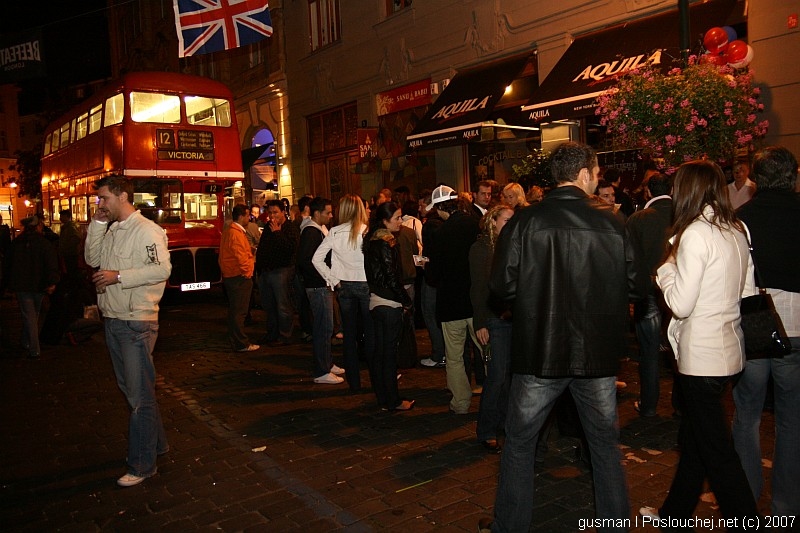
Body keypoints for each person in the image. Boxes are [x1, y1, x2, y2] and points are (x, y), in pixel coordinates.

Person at [482, 142, 640, 532]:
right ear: (584, 173)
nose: (599, 178)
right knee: (603, 444)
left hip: (541, 348)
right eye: (598, 171)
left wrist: (532, 300)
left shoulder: (525, 221)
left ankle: (510, 525)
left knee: (520, 443)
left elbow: (502, 285)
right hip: (596, 352)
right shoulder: (613, 221)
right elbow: (636, 286)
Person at [639, 160, 759, 526]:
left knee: (717, 452)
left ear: (687, 190)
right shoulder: (737, 228)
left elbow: (679, 304)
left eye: (677, 186)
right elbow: (748, 292)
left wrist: (666, 269)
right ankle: (674, 514)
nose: (673, 193)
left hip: (701, 358)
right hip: (729, 351)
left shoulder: (695, 234)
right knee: (695, 442)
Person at [84, 175, 172, 487]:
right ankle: (157, 445)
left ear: (122, 196)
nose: (100, 204)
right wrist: (96, 223)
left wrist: (118, 276)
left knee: (138, 398)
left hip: (136, 320)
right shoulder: (111, 229)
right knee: (136, 391)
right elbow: (91, 259)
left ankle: (142, 464)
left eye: (104, 198)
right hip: (115, 318)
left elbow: (162, 269)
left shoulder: (146, 229)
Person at [733, 146, 800, 518]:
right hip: (799, 327)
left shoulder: (741, 219)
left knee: (748, 414)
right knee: (792, 419)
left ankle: (745, 504)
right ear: (794, 175)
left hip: (756, 324)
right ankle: (787, 507)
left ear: (756, 179)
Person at [426, 185, 482, 414]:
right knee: (488, 353)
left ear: (440, 208)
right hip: (476, 302)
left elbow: (433, 275)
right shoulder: (475, 224)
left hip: (451, 304)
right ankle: (497, 398)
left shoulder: (440, 233)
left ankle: (460, 403)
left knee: (455, 357)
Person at [312, 194, 374, 392]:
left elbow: (316, 259)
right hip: (365, 285)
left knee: (349, 336)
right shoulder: (366, 231)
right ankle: (376, 379)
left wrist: (334, 280)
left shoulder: (335, 232)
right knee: (370, 334)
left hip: (345, 287)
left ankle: (354, 383)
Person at [626, 173, 673, 417]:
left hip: (649, 291)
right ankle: (680, 405)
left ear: (648, 192)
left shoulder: (639, 219)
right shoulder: (683, 213)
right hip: (679, 290)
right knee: (680, 351)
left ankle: (649, 405)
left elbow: (630, 260)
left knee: (649, 351)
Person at [470, 204, 514, 453]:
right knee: (496, 377)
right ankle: (486, 430)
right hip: (494, 319)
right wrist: (480, 322)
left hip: (510, 317)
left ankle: (505, 424)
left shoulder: (508, 246)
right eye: (506, 220)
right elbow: (478, 288)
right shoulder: (481, 249)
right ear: (493, 221)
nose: (510, 224)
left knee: (508, 376)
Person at [363, 202, 415, 411]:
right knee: (388, 355)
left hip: (376, 301)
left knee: (380, 354)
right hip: (388, 303)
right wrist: (406, 300)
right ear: (385, 221)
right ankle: (392, 400)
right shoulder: (386, 242)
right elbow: (392, 277)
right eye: (397, 218)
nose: (401, 222)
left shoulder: (372, 239)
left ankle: (383, 398)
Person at [297, 197, 344, 384]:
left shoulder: (317, 230)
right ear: (317, 213)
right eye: (328, 212)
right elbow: (306, 261)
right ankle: (321, 370)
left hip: (321, 285)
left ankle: (327, 362)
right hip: (318, 286)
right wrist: (325, 277)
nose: (331, 216)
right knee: (323, 327)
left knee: (327, 326)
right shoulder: (311, 232)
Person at [9, 215, 59, 359]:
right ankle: (34, 347)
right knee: (33, 315)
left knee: (29, 315)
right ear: (38, 227)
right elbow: (51, 264)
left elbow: (9, 264)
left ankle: (27, 342)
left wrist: (8, 283)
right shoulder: (43, 243)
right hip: (38, 285)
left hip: (22, 285)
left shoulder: (17, 243)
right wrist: (52, 282)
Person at [255, 199, 299, 345]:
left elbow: (289, 249)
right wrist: (260, 268)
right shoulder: (268, 227)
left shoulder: (289, 228)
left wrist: (278, 234)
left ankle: (285, 335)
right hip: (267, 271)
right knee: (269, 305)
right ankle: (272, 333)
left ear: (283, 212)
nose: (272, 216)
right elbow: (263, 248)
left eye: (275, 212)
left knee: (283, 305)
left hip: (282, 271)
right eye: (270, 212)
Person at [219, 204, 260, 352]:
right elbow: (241, 256)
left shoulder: (231, 231)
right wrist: (248, 272)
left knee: (235, 310)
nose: (249, 218)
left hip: (233, 275)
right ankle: (240, 343)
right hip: (238, 276)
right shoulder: (236, 233)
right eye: (248, 215)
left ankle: (237, 340)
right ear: (242, 216)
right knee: (239, 311)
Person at [418, 193, 446, 368]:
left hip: (433, 277)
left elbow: (431, 253)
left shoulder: (431, 226)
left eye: (422, 205)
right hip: (441, 277)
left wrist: (425, 264)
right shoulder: (442, 224)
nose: (419, 209)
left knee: (430, 313)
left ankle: (439, 353)